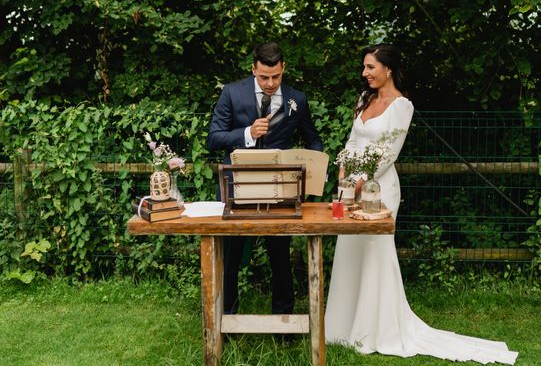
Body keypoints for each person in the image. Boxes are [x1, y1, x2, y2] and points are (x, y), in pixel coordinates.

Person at [324, 44, 518, 364]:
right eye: (364, 67)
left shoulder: (402, 106)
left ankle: (375, 330)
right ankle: (341, 327)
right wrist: (344, 177)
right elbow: (352, 142)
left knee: (374, 255)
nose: (365, 73)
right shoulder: (364, 100)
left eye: (370, 67)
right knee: (349, 252)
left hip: (378, 189)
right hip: (351, 189)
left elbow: (388, 154)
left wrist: (360, 183)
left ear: (388, 69)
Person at [207, 42, 323, 316]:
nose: (270, 83)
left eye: (276, 77)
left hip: (280, 190)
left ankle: (283, 321)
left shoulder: (298, 100)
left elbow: (313, 140)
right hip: (237, 189)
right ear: (253, 70)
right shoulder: (232, 93)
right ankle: (227, 319)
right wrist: (247, 133)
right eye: (264, 77)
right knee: (230, 259)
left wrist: (312, 167)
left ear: (283, 68)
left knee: (280, 258)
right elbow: (213, 138)